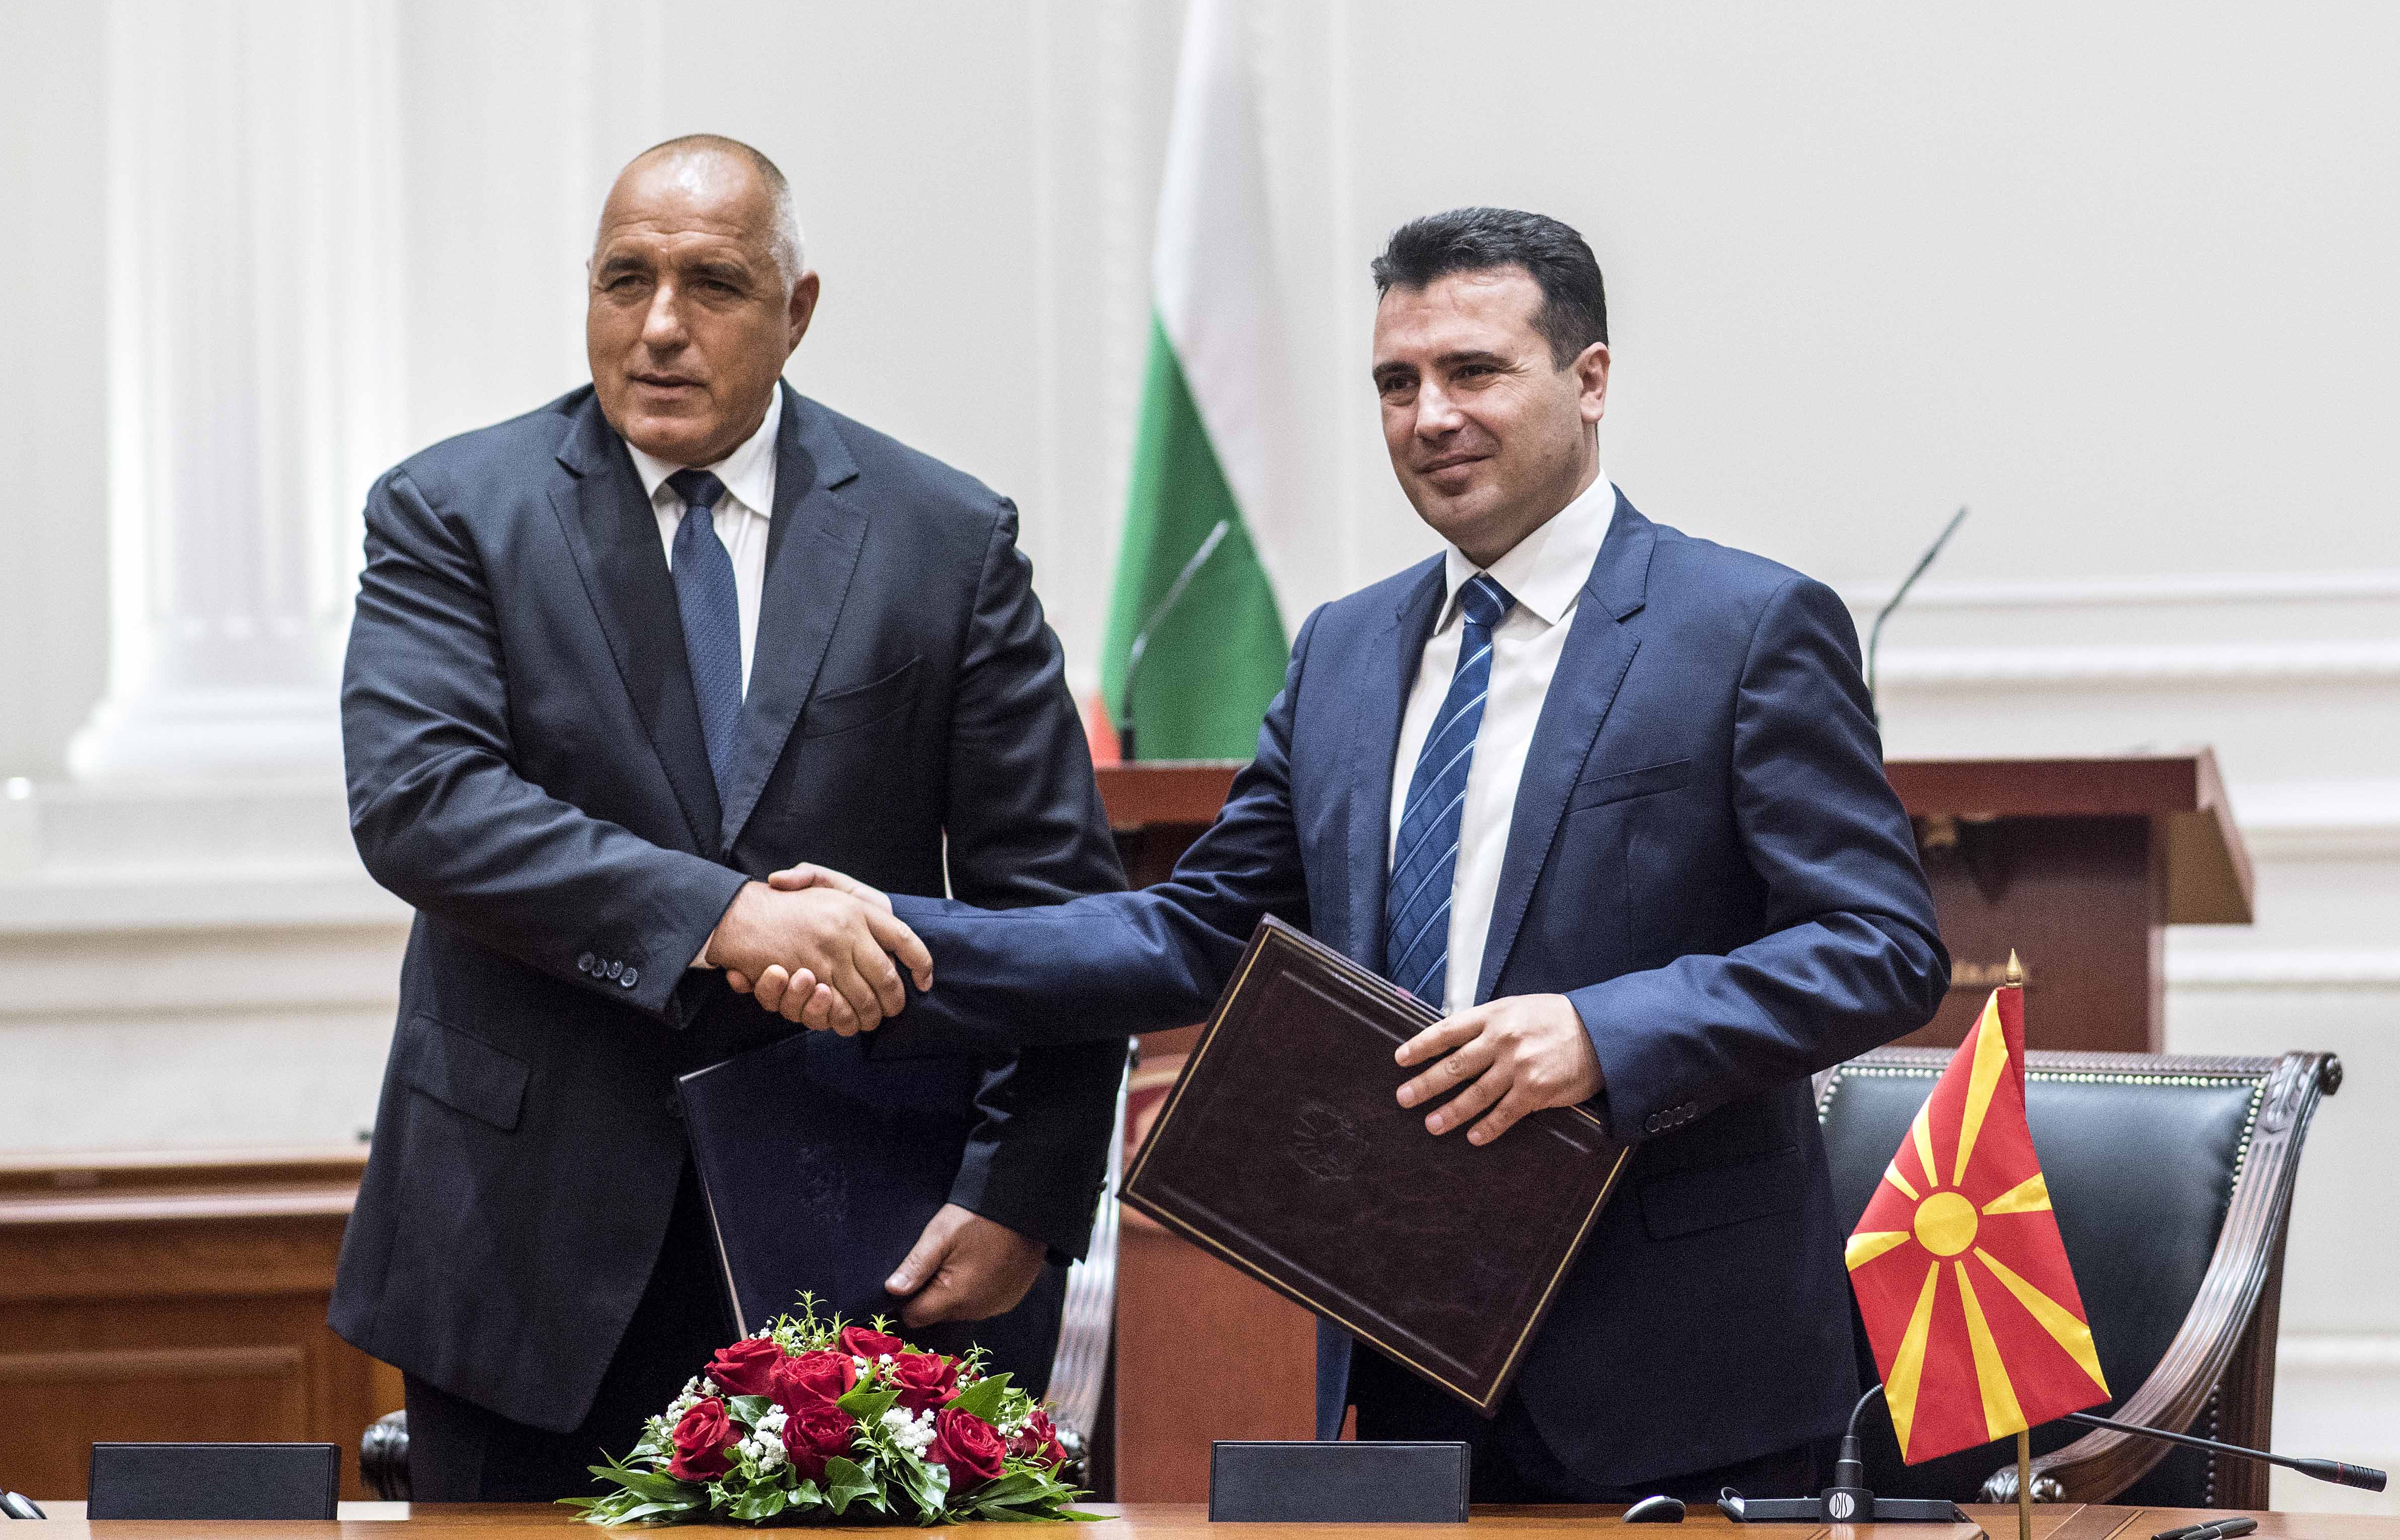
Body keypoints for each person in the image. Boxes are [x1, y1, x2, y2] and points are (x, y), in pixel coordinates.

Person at [747, 207, 1949, 1502]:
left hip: (1680, 1373)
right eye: (1396, 382)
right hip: (1408, 1347)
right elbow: (1194, 933)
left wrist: (1603, 1034)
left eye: (1473, 371)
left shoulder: (1746, 626)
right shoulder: (1343, 650)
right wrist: (900, 936)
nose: (1429, 416)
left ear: (1589, 379)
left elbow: (1878, 948)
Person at [331, 134, 1127, 1501]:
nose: (657, 328)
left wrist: (1025, 1195)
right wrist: (725, 917)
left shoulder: (943, 538)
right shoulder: (454, 512)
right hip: (522, 1247)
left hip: (858, 1253)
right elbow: (423, 803)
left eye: (712, 285)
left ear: (796, 310)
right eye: (623, 279)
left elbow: (1052, 898)